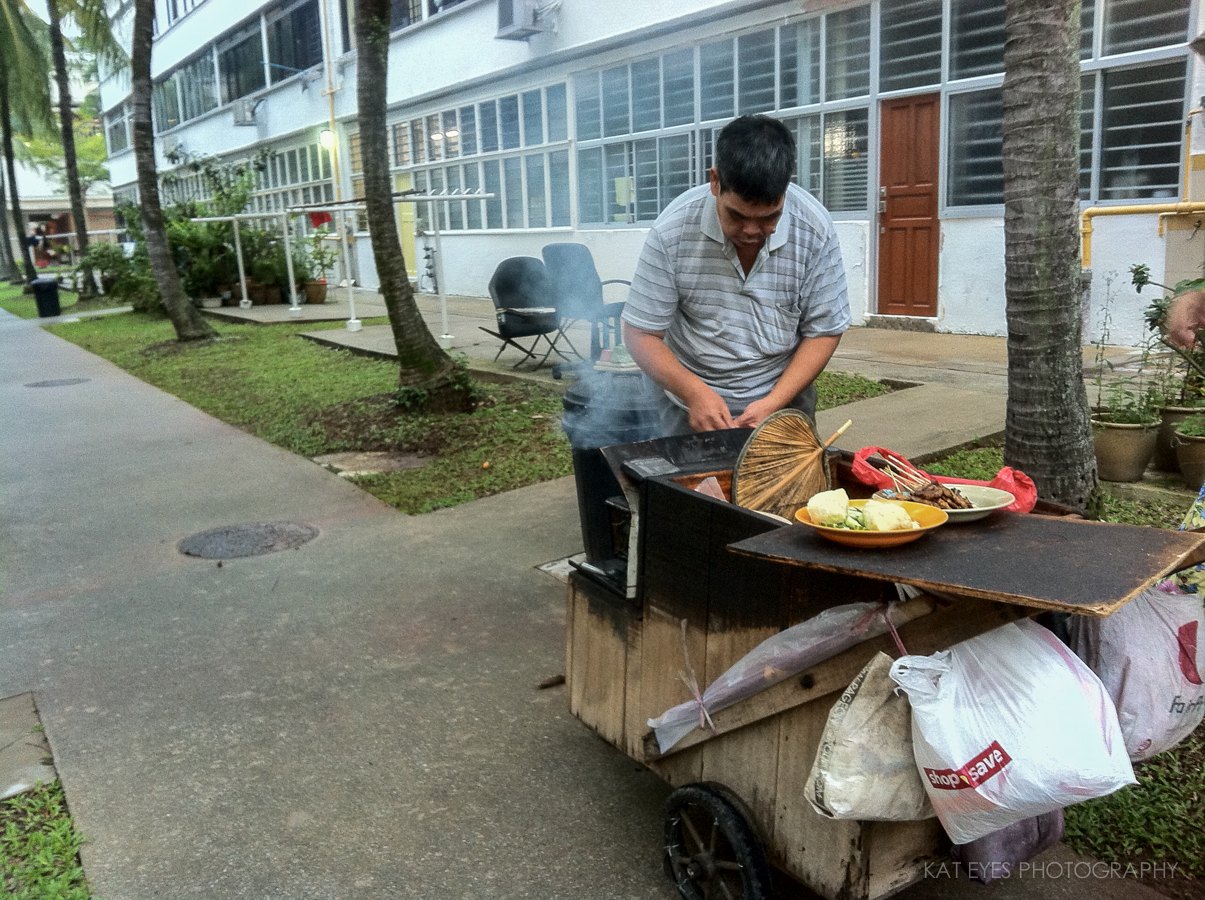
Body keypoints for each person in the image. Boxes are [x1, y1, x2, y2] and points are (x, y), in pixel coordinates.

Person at [621, 114, 850, 436]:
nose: (752, 231)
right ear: (715, 181)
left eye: (770, 217)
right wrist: (694, 392)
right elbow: (641, 334)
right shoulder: (671, 231)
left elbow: (825, 330)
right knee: (690, 487)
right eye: (737, 216)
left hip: (784, 404)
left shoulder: (814, 229)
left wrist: (774, 402)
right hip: (689, 406)